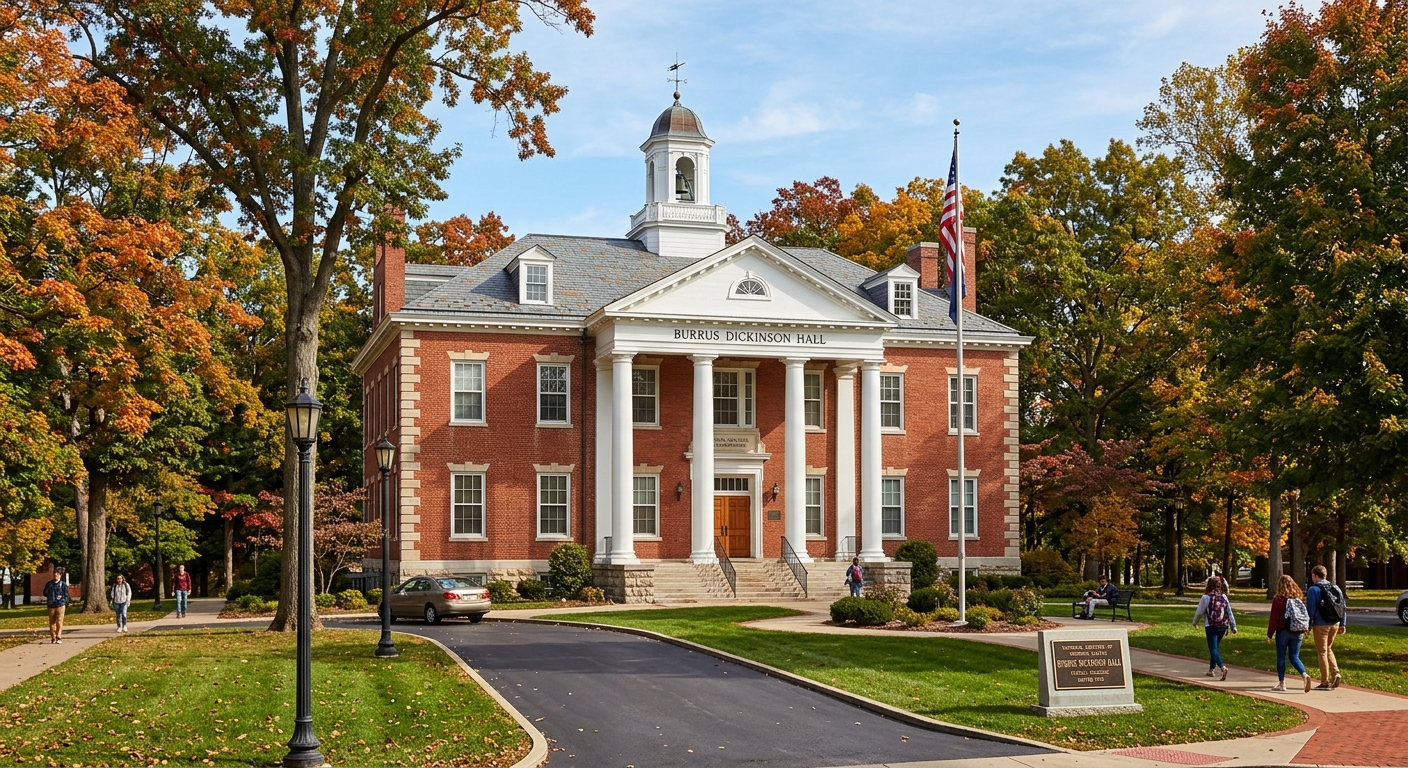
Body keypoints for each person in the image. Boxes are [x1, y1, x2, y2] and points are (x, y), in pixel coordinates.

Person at [1267, 574, 1312, 693]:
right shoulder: (1297, 598)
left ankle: (1282, 683)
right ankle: (1304, 675)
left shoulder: (1278, 599)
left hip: (1283, 632)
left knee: (1281, 657)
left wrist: (1269, 634)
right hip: (1298, 632)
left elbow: (1274, 618)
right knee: (1294, 656)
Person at [1305, 565, 1347, 690]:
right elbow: (1343, 607)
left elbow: (1310, 609)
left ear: (1315, 575)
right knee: (1328, 648)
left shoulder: (1313, 589)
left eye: (1312, 575)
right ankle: (1336, 673)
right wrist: (1343, 623)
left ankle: (1324, 681)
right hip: (1335, 623)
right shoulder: (1335, 587)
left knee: (1322, 651)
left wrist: (1308, 625)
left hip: (1321, 624)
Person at [1193, 576, 1237, 680]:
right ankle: (1211, 670)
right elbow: (1229, 612)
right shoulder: (1224, 597)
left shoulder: (1205, 597)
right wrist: (1233, 626)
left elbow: (1199, 612)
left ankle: (1222, 667)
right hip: (1222, 626)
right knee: (1215, 648)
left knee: (1213, 649)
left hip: (1211, 626)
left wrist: (1195, 622)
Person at [43, 570, 68, 644]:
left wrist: (62, 598)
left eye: (57, 575)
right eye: (54, 575)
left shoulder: (63, 584)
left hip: (60, 605)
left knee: (59, 621)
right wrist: (51, 595)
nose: (55, 576)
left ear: (60, 575)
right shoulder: (49, 584)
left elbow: (66, 594)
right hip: (51, 605)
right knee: (52, 622)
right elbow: (45, 593)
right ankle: (53, 637)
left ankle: (59, 636)